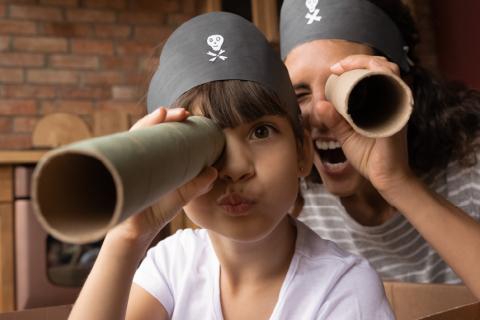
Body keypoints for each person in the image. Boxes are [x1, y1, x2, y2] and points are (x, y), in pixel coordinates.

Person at [68, 12, 394, 320]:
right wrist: (127, 237)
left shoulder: (344, 286)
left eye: (261, 131)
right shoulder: (171, 266)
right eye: (206, 143)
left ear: (302, 153)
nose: (235, 168)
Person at [280, 0, 480, 298]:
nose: (323, 114)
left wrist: (397, 181)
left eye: (344, 85)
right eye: (300, 94)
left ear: (401, 86)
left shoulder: (469, 165)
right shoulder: (290, 203)